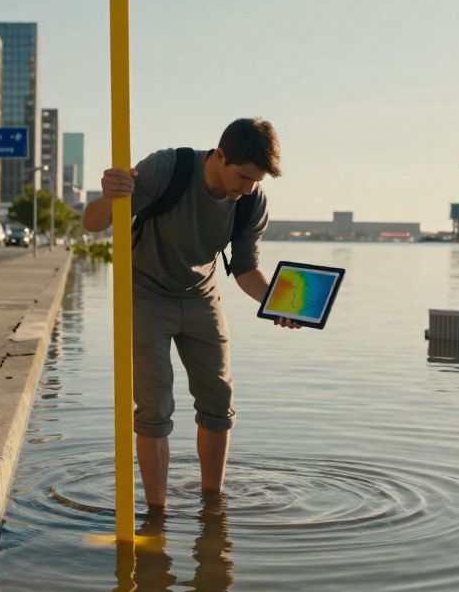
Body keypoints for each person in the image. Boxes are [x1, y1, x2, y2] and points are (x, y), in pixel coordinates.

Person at [82, 117, 299, 510]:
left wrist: (275, 304)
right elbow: (92, 224)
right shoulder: (167, 169)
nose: (247, 188)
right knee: (154, 405)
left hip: (202, 296)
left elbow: (246, 269)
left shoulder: (251, 200)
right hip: (145, 294)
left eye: (256, 181)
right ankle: (157, 513)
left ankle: (212, 505)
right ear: (220, 156)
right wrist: (109, 197)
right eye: (243, 177)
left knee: (218, 400)